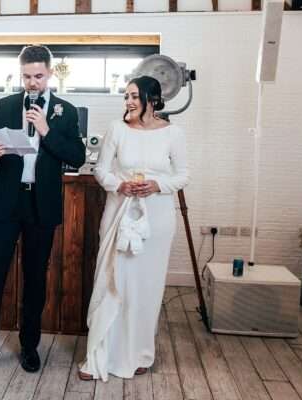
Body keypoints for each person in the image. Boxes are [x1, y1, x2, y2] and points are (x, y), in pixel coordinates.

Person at [0, 46, 86, 378]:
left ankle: (29, 346)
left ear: (50, 74)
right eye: (26, 76)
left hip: (40, 204)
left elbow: (77, 156)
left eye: (38, 76)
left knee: (35, 278)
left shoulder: (65, 112)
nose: (31, 83)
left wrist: (46, 130)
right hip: (5, 203)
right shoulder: (5, 106)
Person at [79, 76, 189, 381]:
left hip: (157, 219)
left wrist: (157, 185)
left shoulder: (173, 133)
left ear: (151, 100)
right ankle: (99, 353)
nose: (127, 102)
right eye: (126, 96)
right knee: (113, 280)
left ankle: (140, 352)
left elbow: (183, 176)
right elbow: (101, 170)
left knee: (146, 287)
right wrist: (120, 184)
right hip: (118, 212)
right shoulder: (116, 129)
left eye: (134, 97)